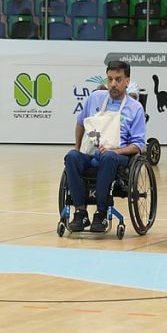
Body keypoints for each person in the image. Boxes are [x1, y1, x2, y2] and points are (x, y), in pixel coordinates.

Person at [64, 60, 146, 233]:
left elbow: (138, 145)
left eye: (118, 79)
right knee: (72, 156)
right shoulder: (95, 98)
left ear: (127, 81)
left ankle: (101, 213)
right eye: (110, 79)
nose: (113, 84)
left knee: (108, 157)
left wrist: (115, 150)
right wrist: (78, 148)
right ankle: (80, 212)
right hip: (92, 151)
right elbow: (80, 123)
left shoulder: (135, 108)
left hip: (118, 155)